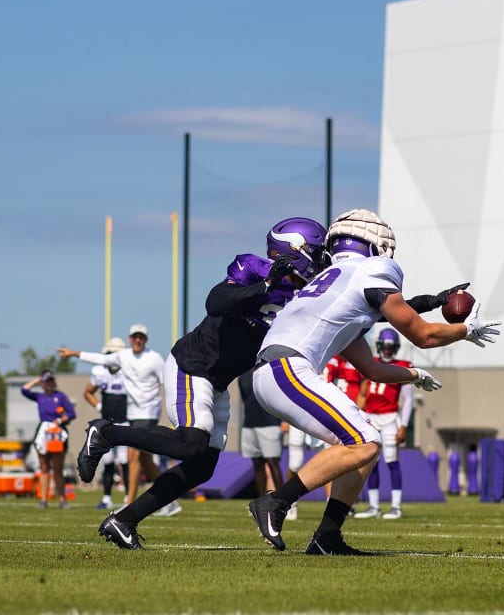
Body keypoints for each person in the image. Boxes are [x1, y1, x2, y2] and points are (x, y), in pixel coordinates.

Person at [247, 208, 499, 556]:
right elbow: (422, 335)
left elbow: (373, 370)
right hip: (287, 368)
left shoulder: (335, 292)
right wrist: (464, 330)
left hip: (275, 371)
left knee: (366, 444)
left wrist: (413, 374)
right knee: (364, 440)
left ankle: (327, 536)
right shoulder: (372, 270)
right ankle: (276, 503)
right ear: (375, 246)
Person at [73, 216, 329, 549]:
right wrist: (264, 287)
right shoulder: (254, 267)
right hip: (193, 365)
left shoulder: (307, 295)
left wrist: (392, 309)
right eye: (315, 250)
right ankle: (106, 432)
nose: (321, 258)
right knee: (191, 444)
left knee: (200, 468)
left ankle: (122, 521)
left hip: (218, 381)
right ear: (292, 250)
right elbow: (216, 302)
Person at [59, 322, 166, 504]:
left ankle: (128, 502)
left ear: (146, 339)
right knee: (145, 460)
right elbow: (99, 360)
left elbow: (167, 382)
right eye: (135, 336)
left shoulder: (154, 358)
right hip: (131, 414)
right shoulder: (122, 357)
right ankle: (169, 500)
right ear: (130, 339)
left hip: (148, 411)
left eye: (141, 337)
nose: (138, 340)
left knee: (132, 456)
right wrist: (74, 353)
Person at [356, 328, 415, 520]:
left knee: (391, 461)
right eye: (385, 346)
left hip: (390, 418)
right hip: (371, 418)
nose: (388, 350)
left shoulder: (403, 366)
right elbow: (363, 393)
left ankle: (396, 507)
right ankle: (374, 506)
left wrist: (404, 425)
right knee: (372, 462)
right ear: (380, 345)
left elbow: (408, 400)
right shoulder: (370, 364)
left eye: (391, 346)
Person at [83, 337, 130, 510]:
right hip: (106, 424)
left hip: (125, 422)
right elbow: (87, 392)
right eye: (111, 353)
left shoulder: (128, 371)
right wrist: (99, 405)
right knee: (108, 462)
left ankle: (127, 498)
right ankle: (107, 497)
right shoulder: (99, 372)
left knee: (125, 462)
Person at [21, 370, 76, 508]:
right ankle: (43, 499)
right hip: (44, 433)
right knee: (44, 467)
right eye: (46, 381)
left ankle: (62, 499)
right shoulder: (40, 396)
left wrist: (61, 419)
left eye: (51, 380)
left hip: (57, 432)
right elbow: (24, 390)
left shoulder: (60, 396)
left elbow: (71, 413)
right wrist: (36, 380)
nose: (49, 383)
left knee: (58, 468)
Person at [239, 361, 284, 498]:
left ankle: (283, 502)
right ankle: (261, 502)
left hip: (270, 424)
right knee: (257, 465)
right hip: (249, 425)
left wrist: (283, 420)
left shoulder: (270, 372)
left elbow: (280, 398)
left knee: (272, 463)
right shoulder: (243, 376)